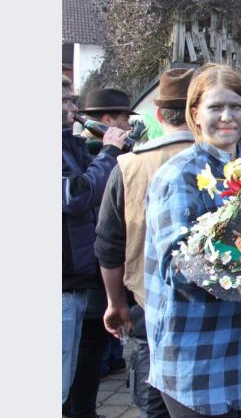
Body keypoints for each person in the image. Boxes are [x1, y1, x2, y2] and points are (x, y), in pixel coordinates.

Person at [143, 63, 241, 417]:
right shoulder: (179, 175)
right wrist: (240, 262)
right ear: (194, 113)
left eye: (236, 106)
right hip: (195, 347)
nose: (226, 117)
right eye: (215, 107)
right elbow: (177, 266)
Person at [95, 68, 197, 418]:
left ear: (158, 114)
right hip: (209, 313)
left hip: (146, 309)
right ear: (198, 112)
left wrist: (115, 303)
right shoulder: (224, 163)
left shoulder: (127, 165)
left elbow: (108, 245)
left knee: (153, 407)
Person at [62, 75, 128, 407]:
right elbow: (77, 196)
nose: (73, 109)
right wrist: (109, 152)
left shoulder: (69, 144)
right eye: (64, 101)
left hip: (78, 275)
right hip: (65, 280)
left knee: (72, 367)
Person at [78, 88, 136, 155]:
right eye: (125, 120)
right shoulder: (92, 152)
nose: (129, 128)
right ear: (108, 120)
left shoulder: (80, 148)